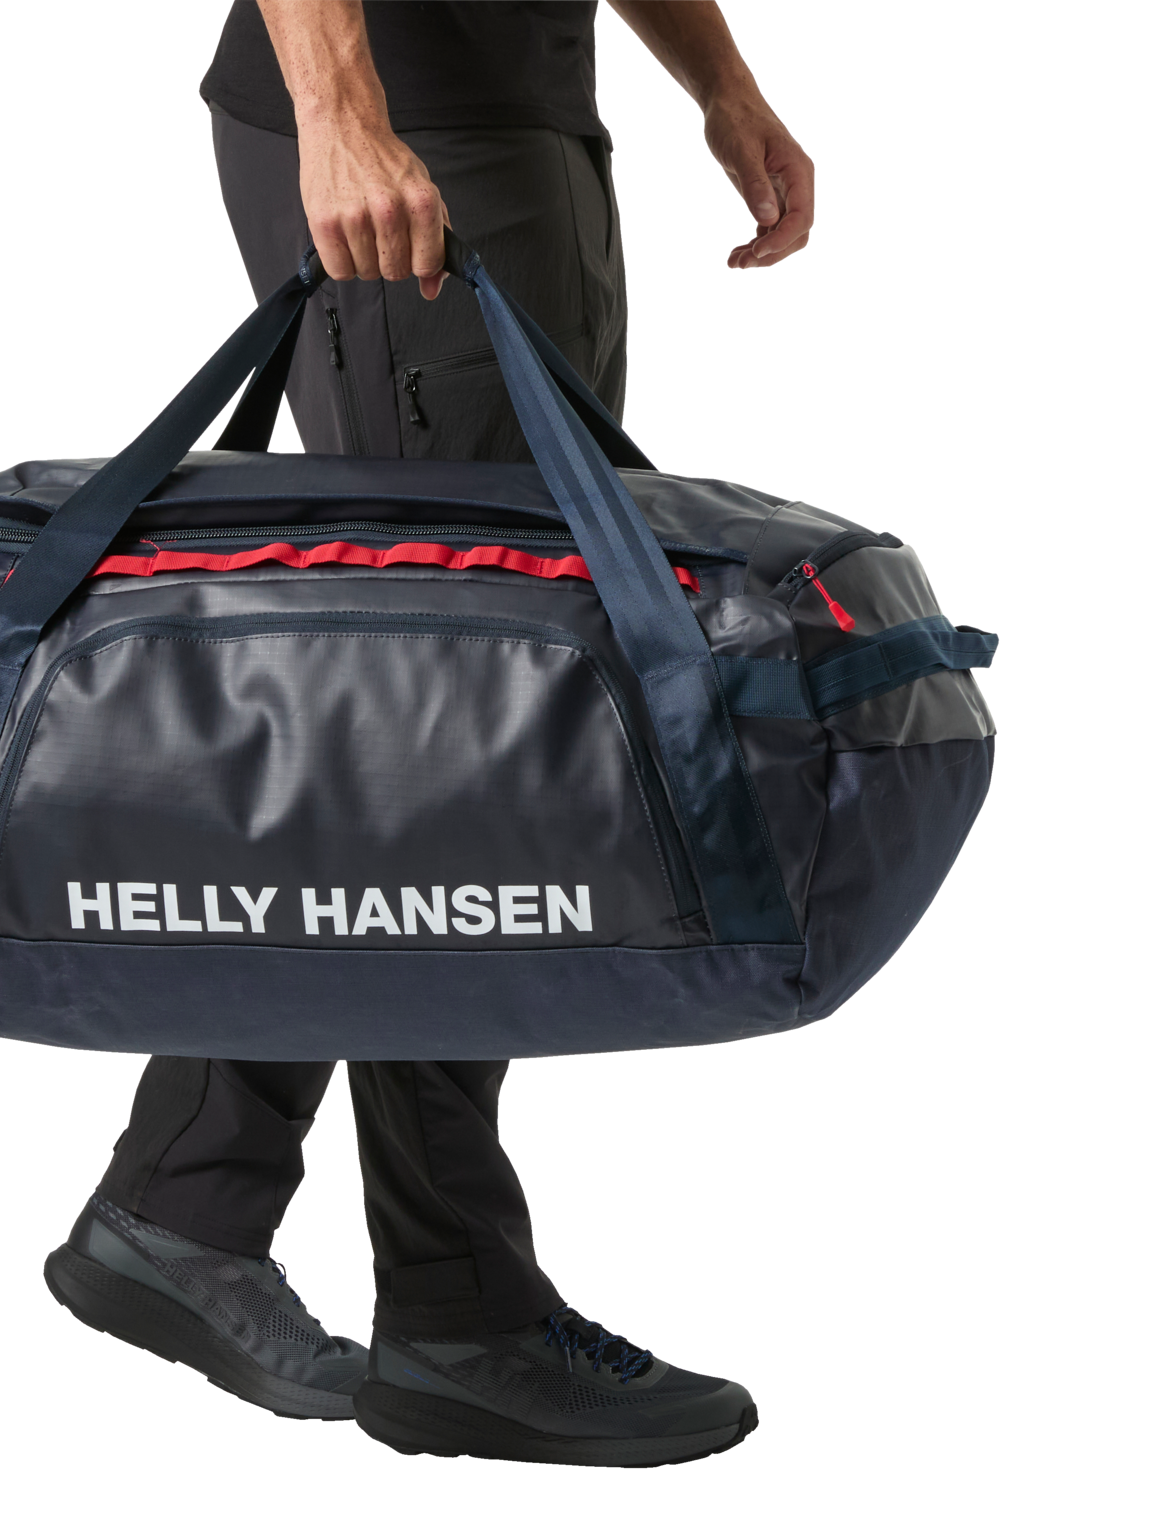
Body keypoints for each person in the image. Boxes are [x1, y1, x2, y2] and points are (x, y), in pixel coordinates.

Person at [43, 0, 813, 1467]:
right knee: (460, 746)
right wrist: (343, 109)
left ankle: (186, 1201)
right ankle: (460, 1316)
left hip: (518, 121)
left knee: (454, 719)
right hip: (411, 131)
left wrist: (720, 80)